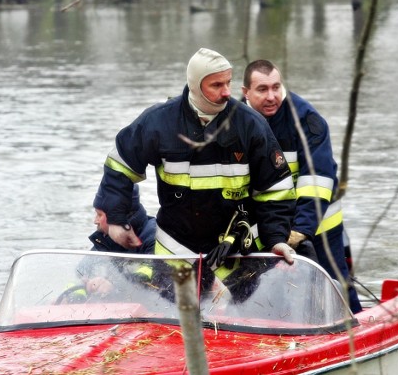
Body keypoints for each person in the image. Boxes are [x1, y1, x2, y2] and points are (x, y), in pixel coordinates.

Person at [93, 48, 297, 275]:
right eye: (216, 85)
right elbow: (119, 166)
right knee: (176, 309)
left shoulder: (251, 125)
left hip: (235, 251)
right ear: (195, 85)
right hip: (175, 249)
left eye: (228, 83)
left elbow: (277, 191)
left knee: (244, 308)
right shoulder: (159, 122)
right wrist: (116, 220)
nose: (227, 92)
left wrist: (276, 239)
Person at [241, 59, 362, 313]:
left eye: (276, 87)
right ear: (245, 93)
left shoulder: (307, 120)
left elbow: (318, 182)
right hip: (264, 225)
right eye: (262, 90)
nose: (272, 96)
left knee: (334, 286)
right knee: (262, 292)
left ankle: (354, 327)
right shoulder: (235, 122)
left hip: (318, 224)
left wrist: (300, 231)